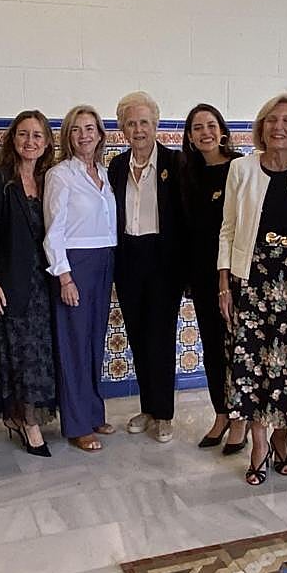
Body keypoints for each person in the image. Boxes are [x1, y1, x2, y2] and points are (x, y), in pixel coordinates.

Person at [218, 92, 287, 486]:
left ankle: (282, 439)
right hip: (251, 280)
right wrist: (223, 284)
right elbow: (228, 228)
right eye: (272, 120)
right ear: (261, 127)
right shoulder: (241, 169)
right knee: (252, 366)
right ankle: (259, 445)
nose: (279, 127)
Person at [108, 91, 185, 443]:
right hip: (129, 258)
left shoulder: (176, 163)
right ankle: (147, 407)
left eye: (143, 122)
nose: (137, 129)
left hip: (164, 259)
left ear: (155, 125)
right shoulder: (117, 166)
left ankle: (164, 413)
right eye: (130, 123)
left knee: (161, 336)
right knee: (138, 336)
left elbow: (186, 219)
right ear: (122, 128)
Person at [44, 104, 118, 452]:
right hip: (75, 264)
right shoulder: (61, 175)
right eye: (76, 129)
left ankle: (93, 411)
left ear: (100, 135)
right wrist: (64, 277)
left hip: (105, 260)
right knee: (73, 344)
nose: (84, 135)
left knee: (93, 340)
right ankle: (75, 424)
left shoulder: (104, 174)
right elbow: (53, 231)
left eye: (90, 128)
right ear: (68, 137)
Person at [0, 110, 58, 457]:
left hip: (45, 282)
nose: (30, 142)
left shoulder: (49, 181)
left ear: (46, 143)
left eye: (37, 136)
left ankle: (30, 418)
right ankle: (27, 423)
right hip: (11, 282)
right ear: (13, 139)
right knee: (20, 354)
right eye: (24, 134)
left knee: (42, 353)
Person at [179, 103, 244, 453]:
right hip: (202, 275)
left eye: (210, 125)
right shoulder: (187, 172)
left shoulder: (239, 168)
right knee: (211, 348)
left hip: (234, 275)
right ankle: (221, 413)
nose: (205, 132)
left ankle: (241, 418)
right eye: (197, 128)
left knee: (237, 347)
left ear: (222, 130)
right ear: (189, 136)